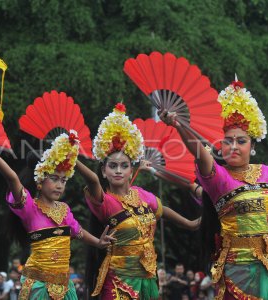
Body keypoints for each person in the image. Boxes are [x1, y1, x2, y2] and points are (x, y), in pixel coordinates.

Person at [160, 78, 268, 299]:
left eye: (241, 141)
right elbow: (198, 152)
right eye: (227, 141)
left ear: (252, 145)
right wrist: (178, 125)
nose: (234, 147)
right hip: (239, 270)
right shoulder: (217, 177)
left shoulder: (266, 172)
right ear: (219, 146)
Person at [0, 130, 114, 300]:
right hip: (38, 285)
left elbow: (78, 232)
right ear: (39, 181)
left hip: (65, 286)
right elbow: (12, 178)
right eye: (54, 178)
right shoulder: (29, 208)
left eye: (63, 180)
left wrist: (98, 242)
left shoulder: (64, 209)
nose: (60, 185)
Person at [76, 103, 200, 299]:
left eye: (124, 166)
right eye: (113, 166)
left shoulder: (142, 195)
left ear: (131, 171)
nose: (118, 170)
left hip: (147, 280)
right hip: (118, 282)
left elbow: (162, 209)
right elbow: (91, 180)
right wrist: (73, 156)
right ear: (103, 171)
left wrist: (190, 224)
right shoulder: (104, 200)